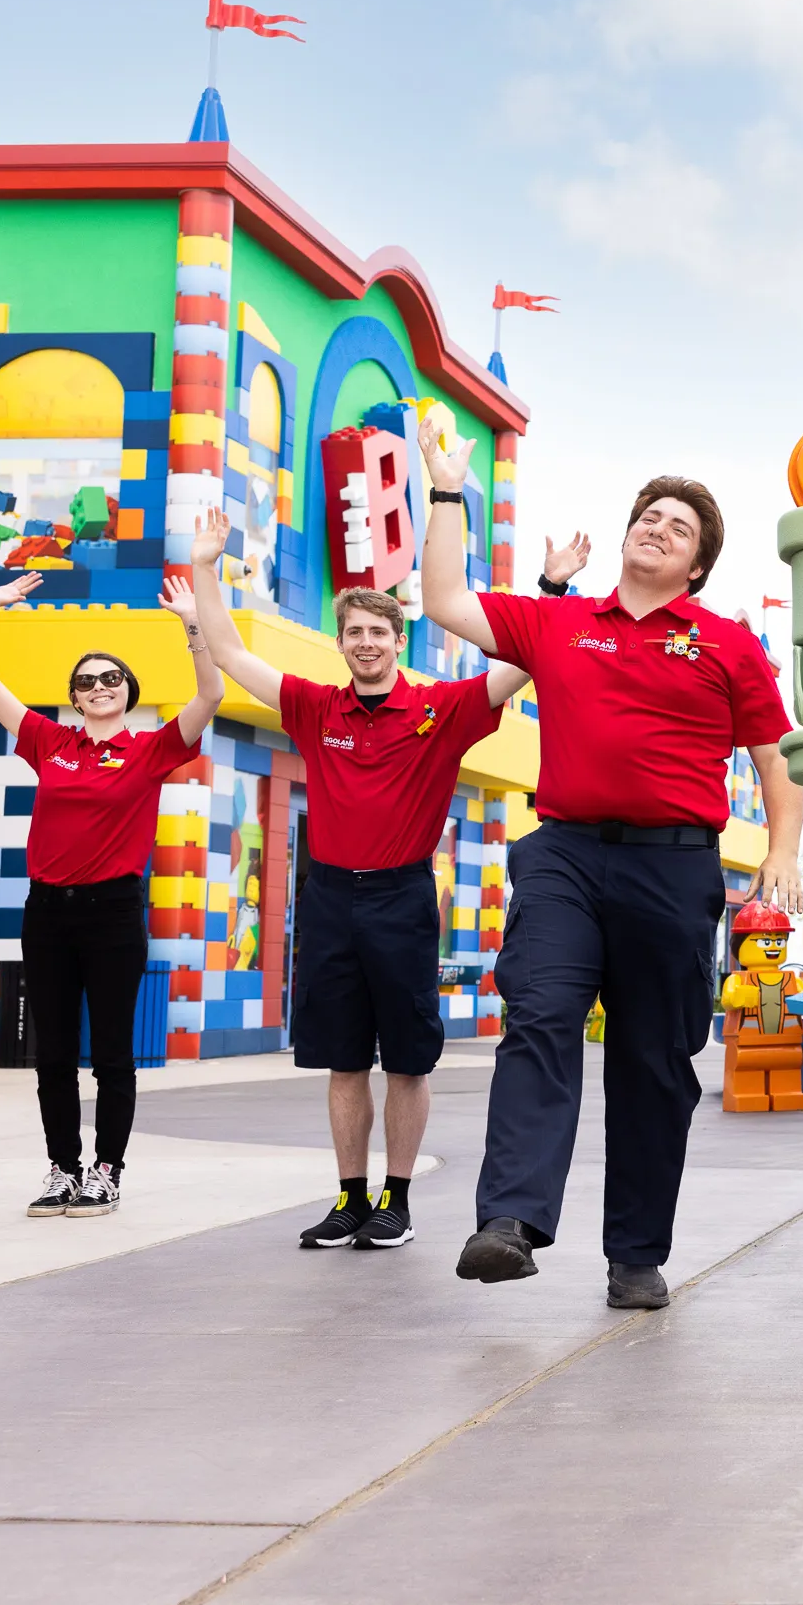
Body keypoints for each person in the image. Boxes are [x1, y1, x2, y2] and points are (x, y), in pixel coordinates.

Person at [415, 413, 803, 1309]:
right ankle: (508, 1221)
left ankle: (635, 1253)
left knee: (654, 1062)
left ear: (698, 564)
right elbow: (442, 598)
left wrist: (782, 851)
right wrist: (445, 491)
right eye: (649, 514)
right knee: (540, 1014)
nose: (657, 527)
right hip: (566, 855)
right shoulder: (559, 623)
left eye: (680, 526)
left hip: (673, 870)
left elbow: (773, 757)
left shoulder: (725, 643)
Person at [183, 508, 530, 1253]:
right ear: (342, 644)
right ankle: (348, 1197)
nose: (366, 643)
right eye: (355, 634)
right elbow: (232, 652)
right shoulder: (315, 707)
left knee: (406, 1058)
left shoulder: (439, 708)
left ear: (397, 642)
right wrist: (207, 567)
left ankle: (395, 1200)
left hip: (402, 897)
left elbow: (520, 664)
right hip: (332, 899)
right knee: (344, 1058)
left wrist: (552, 587)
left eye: (379, 632)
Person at [0, 570, 223, 1219]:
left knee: (110, 1051)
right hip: (48, 911)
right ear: (74, 698)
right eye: (87, 681)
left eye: (111, 678)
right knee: (50, 1052)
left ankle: (106, 1171)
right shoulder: (50, 744)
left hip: (113, 912)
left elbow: (212, 691)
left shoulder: (151, 750)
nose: (99, 687)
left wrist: (191, 622)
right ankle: (61, 1168)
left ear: (128, 691)